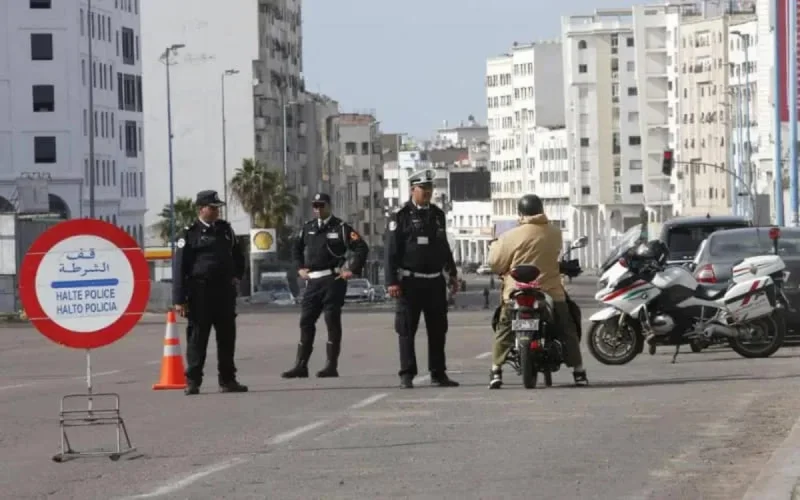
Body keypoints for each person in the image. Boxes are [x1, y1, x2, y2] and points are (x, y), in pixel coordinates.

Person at [487, 194, 587, 389]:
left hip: (516, 290)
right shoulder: (554, 233)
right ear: (541, 210)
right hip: (549, 290)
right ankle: (579, 371)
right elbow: (552, 257)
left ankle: (496, 370)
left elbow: (495, 263)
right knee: (567, 328)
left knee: (504, 328)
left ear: (520, 213)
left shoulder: (510, 236)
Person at [385, 169, 460, 389]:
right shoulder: (400, 217)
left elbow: (444, 246)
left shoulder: (437, 215)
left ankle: (438, 372)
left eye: (430, 188)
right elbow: (391, 252)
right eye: (423, 189)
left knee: (438, 329)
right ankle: (407, 373)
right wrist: (391, 282)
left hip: (434, 281)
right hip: (410, 282)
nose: (427, 193)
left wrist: (452, 273)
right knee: (407, 329)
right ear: (412, 190)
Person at [281, 193, 369, 378]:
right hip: (313, 281)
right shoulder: (308, 227)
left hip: (332, 280)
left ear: (329, 206)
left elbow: (361, 247)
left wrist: (351, 269)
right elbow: (295, 248)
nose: (318, 209)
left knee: (332, 323)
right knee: (306, 321)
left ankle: (331, 366)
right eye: (315, 205)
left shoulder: (341, 227)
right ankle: (301, 365)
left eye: (321, 205)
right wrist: (299, 268)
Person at [173, 190, 248, 395]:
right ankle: (193, 381)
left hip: (224, 291)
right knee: (198, 338)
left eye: (218, 208)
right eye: (212, 208)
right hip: (200, 292)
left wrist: (237, 276)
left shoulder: (225, 230)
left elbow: (238, 256)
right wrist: (179, 299)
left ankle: (228, 379)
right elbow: (180, 267)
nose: (216, 212)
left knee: (226, 337)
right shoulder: (189, 233)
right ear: (201, 209)